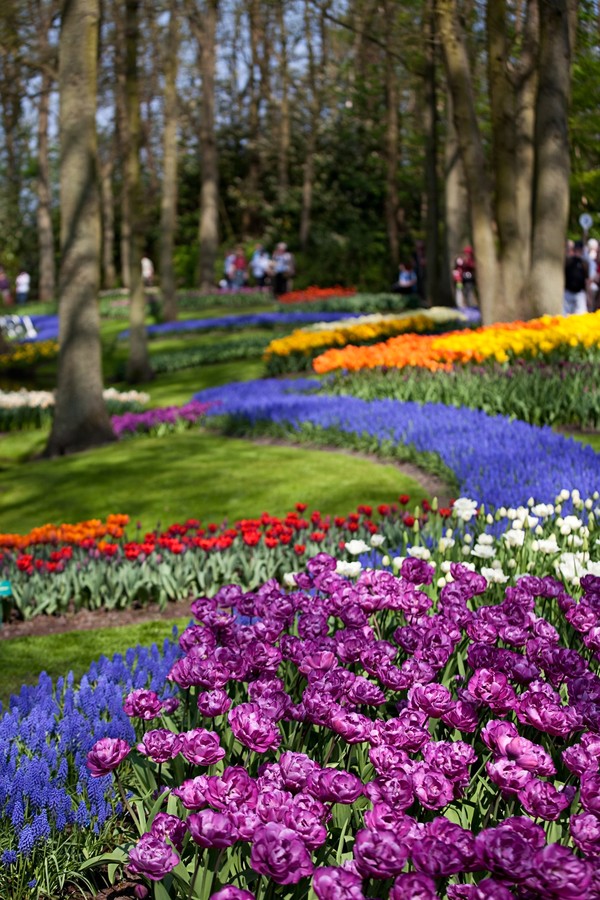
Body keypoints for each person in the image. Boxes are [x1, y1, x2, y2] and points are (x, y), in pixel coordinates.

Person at [564, 240, 589, 316]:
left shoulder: (584, 263)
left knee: (581, 315)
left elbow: (586, 279)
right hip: (568, 292)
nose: (578, 252)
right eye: (576, 250)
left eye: (580, 250)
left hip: (579, 293)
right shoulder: (568, 261)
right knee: (564, 315)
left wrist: (587, 294)